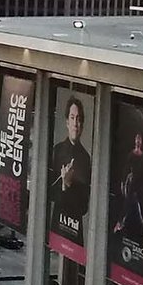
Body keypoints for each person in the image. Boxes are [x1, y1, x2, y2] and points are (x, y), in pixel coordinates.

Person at [112, 129, 143, 257]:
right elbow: (125, 170)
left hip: (141, 189)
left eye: (140, 140)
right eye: (137, 139)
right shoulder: (131, 155)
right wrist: (123, 182)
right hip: (132, 187)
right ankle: (118, 225)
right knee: (126, 207)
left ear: (141, 142)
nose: (138, 141)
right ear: (135, 141)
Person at [49, 96, 92, 236]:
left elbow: (84, 206)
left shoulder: (85, 158)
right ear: (67, 122)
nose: (75, 123)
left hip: (75, 230)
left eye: (79, 119)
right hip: (58, 225)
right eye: (72, 118)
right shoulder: (58, 150)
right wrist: (64, 185)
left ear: (82, 125)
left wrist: (69, 185)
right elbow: (49, 193)